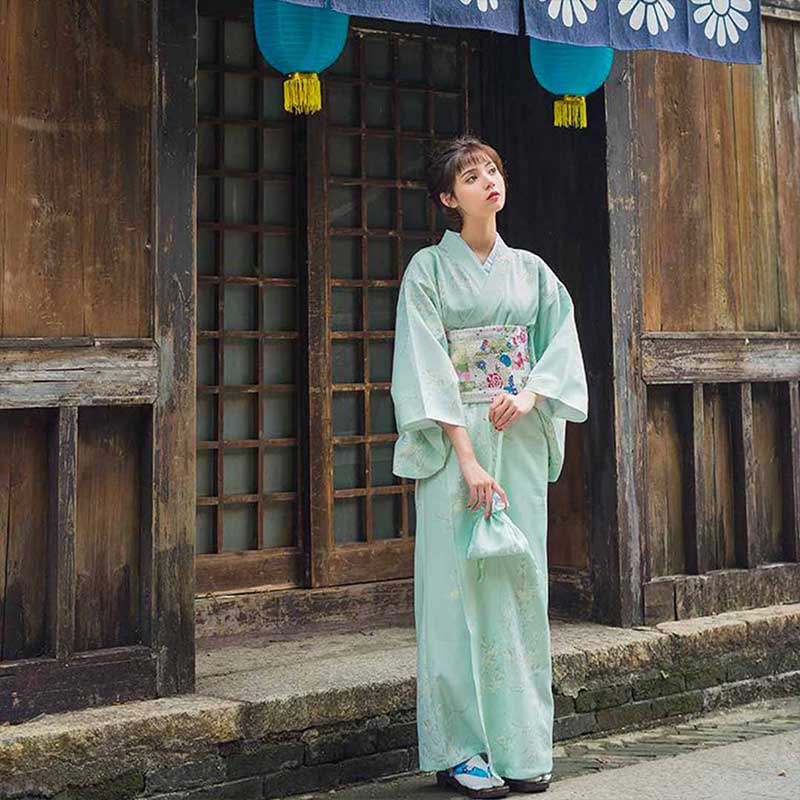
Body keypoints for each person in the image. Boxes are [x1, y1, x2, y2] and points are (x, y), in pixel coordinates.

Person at [390, 136, 588, 798]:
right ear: (449, 198)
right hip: (459, 445)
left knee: (518, 583)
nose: (489, 182)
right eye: (472, 176)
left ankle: (522, 742)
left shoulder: (531, 270)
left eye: (494, 170)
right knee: (455, 591)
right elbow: (424, 365)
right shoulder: (428, 271)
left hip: (518, 432)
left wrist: (530, 393)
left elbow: (560, 340)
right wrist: (466, 456)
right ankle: (460, 749)